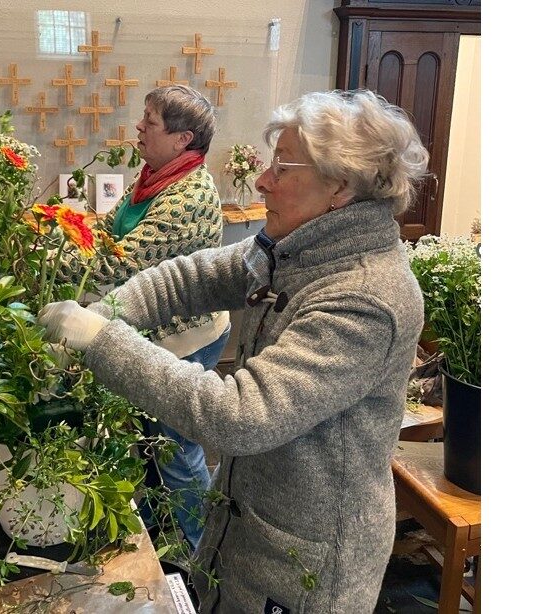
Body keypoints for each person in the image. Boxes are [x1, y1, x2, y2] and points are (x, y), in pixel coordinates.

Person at [39, 89, 429, 612]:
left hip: (302, 566)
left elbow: (239, 416)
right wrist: (112, 311)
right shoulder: (301, 244)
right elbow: (192, 276)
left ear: (338, 186)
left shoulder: (364, 296)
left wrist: (100, 340)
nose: (263, 180)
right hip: (249, 530)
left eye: (282, 168)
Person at [62, 84, 230, 550]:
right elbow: (106, 228)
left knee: (175, 448)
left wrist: (50, 252)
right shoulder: (151, 177)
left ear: (182, 139)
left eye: (150, 121)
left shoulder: (188, 196)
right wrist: (72, 231)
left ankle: (199, 552)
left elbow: (119, 261)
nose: (138, 127)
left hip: (186, 337)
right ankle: (165, 530)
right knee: (153, 440)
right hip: (151, 332)